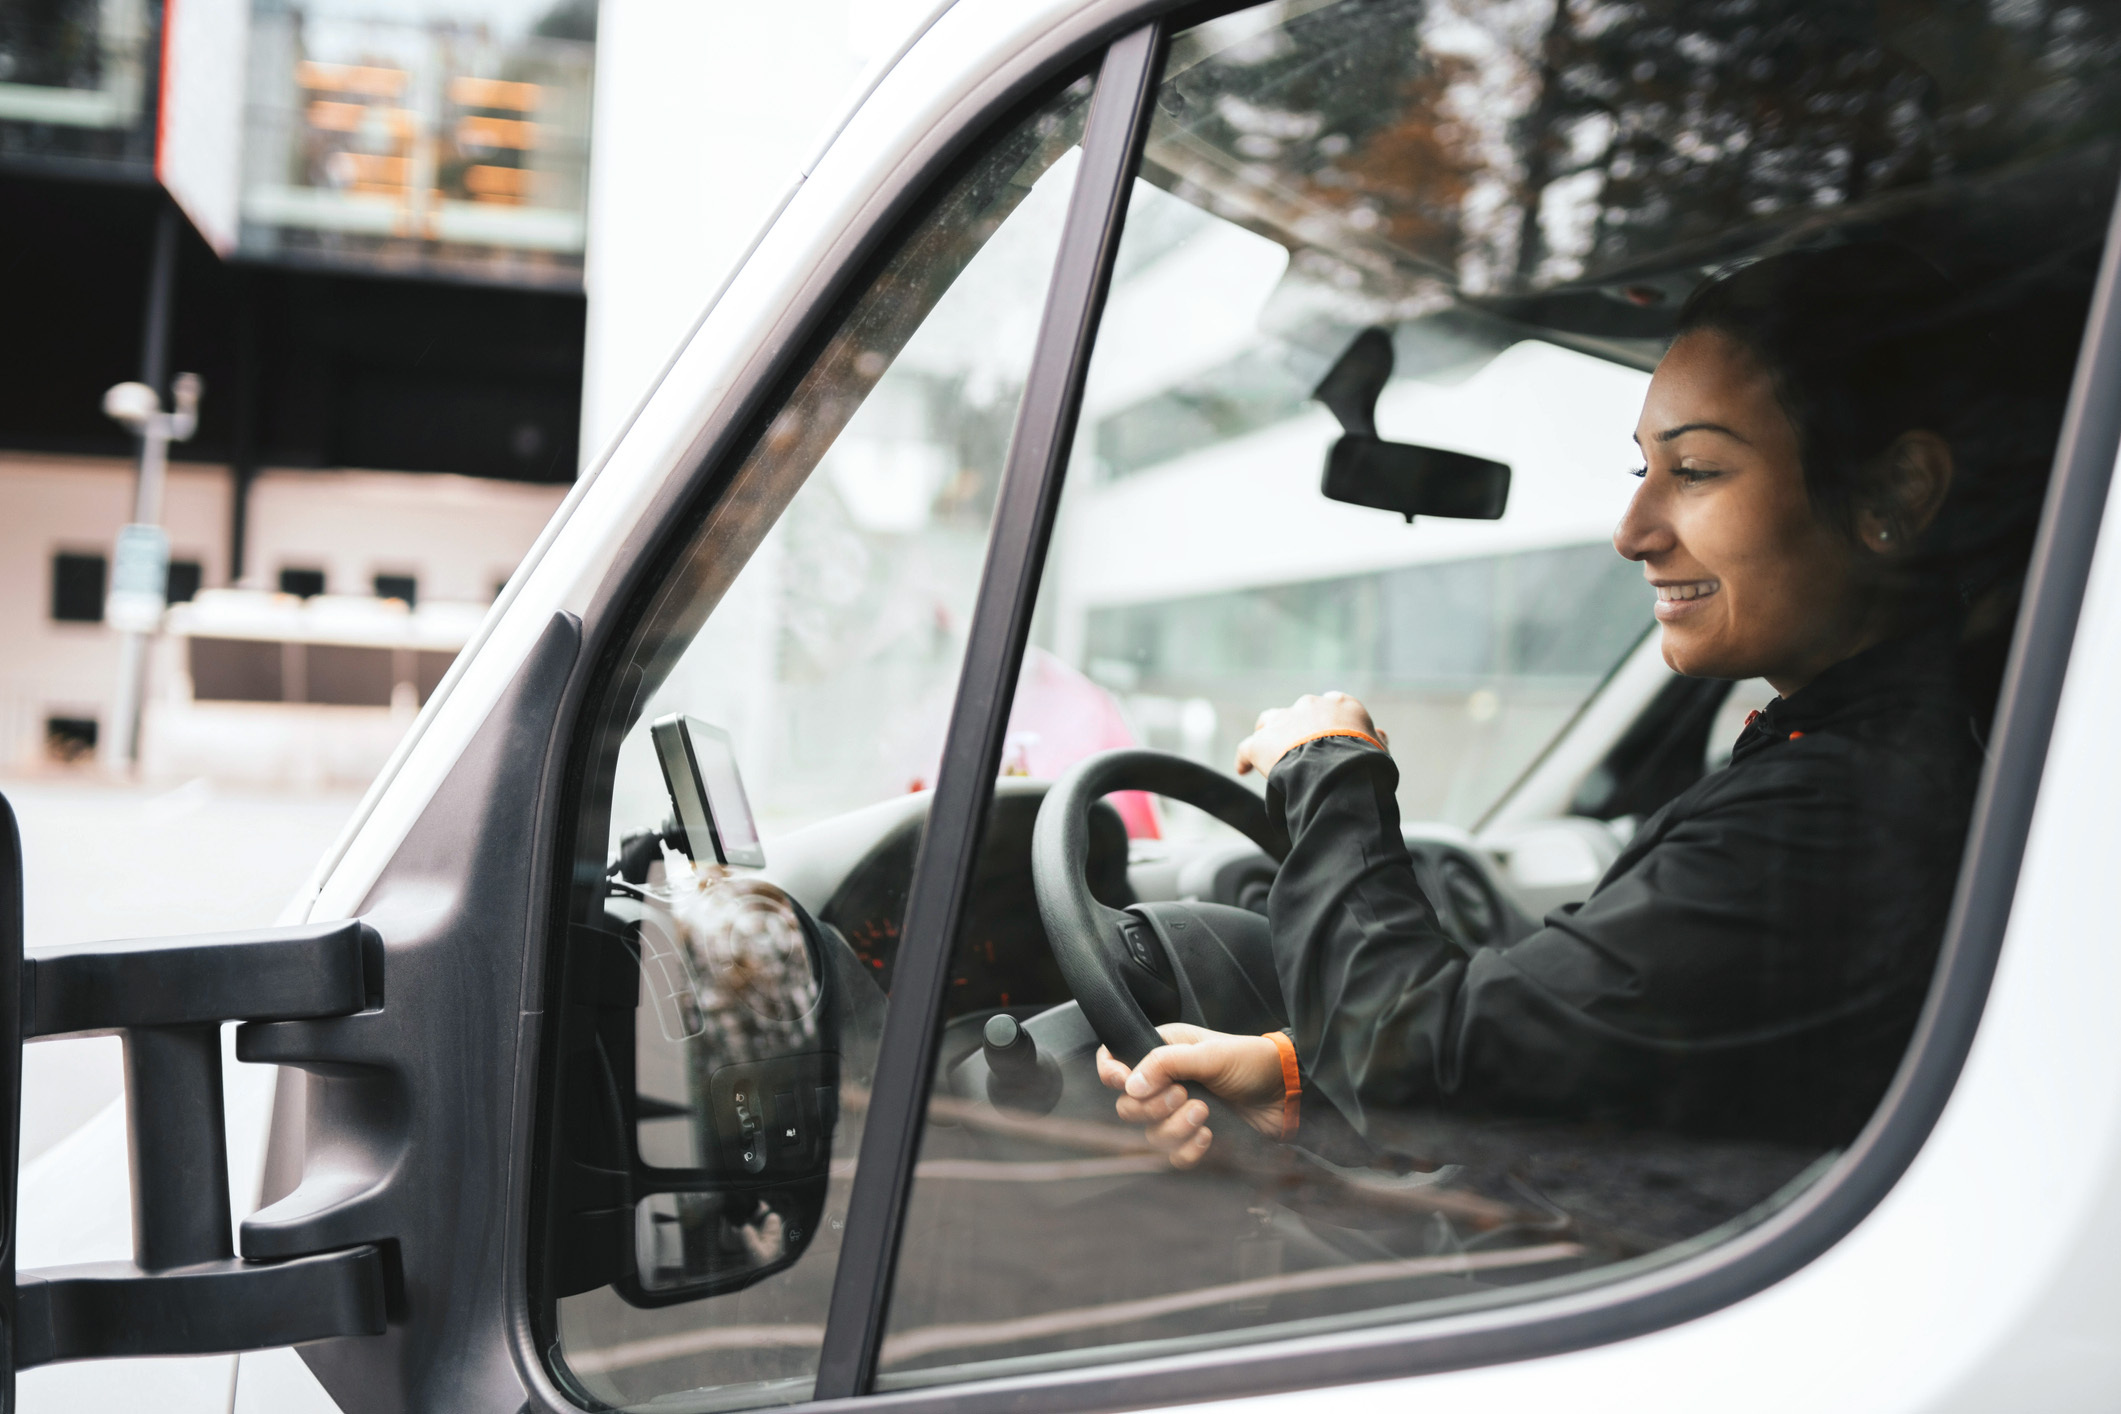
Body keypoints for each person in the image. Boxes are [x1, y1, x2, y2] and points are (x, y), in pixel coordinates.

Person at [1099, 244, 2021, 1171]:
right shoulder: (1884, 755)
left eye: (1695, 470)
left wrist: (1326, 770)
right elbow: (1661, 1070)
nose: (1631, 533)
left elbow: (1416, 1064)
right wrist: (1298, 1079)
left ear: (1897, 492)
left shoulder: (1839, 807)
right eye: (1641, 471)